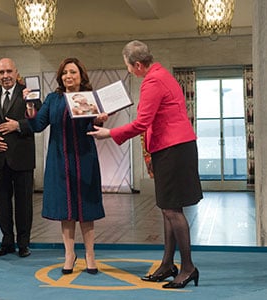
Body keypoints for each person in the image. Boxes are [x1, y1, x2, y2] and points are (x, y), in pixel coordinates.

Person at [88, 40, 202, 288]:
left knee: (172, 210)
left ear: (138, 65)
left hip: (173, 148)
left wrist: (110, 134)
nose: (128, 70)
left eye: (128, 66)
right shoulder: (162, 74)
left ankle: (188, 267)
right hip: (174, 147)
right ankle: (168, 264)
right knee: (167, 207)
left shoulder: (152, 81)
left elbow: (141, 123)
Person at [25, 57, 107, 275]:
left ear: (81, 76)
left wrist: (99, 120)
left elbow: (93, 127)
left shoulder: (90, 98)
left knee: (86, 210)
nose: (68, 76)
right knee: (66, 210)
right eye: (64, 73)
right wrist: (30, 106)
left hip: (85, 158)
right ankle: (69, 254)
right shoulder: (53, 99)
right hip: (59, 160)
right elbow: (37, 125)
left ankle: (90, 254)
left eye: (73, 72)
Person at [0, 58, 41, 258]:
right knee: (2, 203)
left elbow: (38, 121)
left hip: (22, 157)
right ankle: (7, 241)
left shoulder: (29, 92)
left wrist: (18, 125)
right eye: (1, 72)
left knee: (24, 203)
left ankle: (24, 243)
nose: (5, 75)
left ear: (16, 72)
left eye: (9, 71)